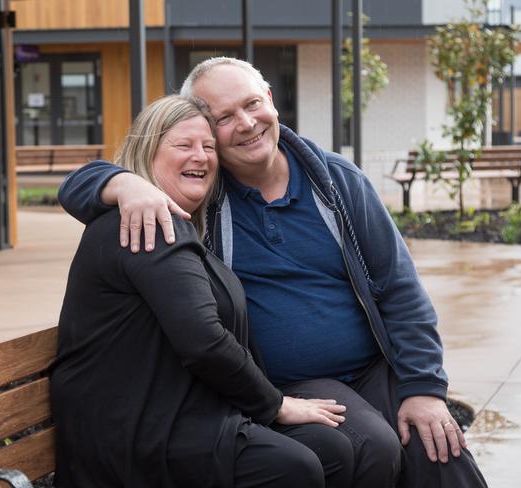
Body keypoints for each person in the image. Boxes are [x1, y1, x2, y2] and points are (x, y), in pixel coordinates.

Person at [58, 58, 488, 487]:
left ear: (271, 100)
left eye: (251, 104)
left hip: (372, 368)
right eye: (225, 117)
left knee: (439, 448)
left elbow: (401, 291)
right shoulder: (204, 189)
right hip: (284, 381)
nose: (245, 123)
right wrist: (125, 184)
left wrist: (424, 389)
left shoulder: (337, 183)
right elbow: (80, 184)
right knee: (372, 445)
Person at [50, 95, 354, 488]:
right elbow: (203, 341)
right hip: (138, 431)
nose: (201, 157)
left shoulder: (179, 226)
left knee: (330, 448)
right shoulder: (152, 226)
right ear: (147, 151)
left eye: (209, 147)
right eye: (183, 145)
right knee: (295, 466)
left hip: (182, 411)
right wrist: (275, 405)